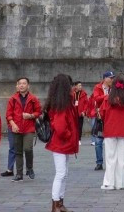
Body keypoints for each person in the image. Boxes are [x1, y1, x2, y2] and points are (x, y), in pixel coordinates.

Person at [44, 73, 80, 212]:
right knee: (61, 173)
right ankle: (56, 203)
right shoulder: (62, 105)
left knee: (64, 173)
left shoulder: (62, 103)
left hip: (63, 142)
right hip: (61, 142)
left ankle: (60, 202)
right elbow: (60, 127)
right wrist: (69, 135)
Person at [98, 75, 124, 191]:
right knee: (122, 158)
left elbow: (102, 114)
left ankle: (109, 183)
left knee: (110, 157)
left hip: (110, 130)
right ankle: (121, 183)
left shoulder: (107, 99)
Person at [6, 76, 42, 181]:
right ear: (17, 86)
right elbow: (8, 114)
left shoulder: (33, 98)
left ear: (28, 85)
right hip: (16, 128)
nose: (21, 85)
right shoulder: (12, 99)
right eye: (19, 83)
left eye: (24, 83)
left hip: (29, 128)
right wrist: (13, 124)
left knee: (28, 148)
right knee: (18, 151)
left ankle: (30, 168)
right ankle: (19, 173)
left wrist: (30, 115)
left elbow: (38, 112)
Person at [87, 71, 112, 171]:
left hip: (110, 116)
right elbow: (96, 98)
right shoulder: (98, 87)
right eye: (110, 78)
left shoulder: (113, 88)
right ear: (105, 79)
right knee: (98, 141)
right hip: (99, 117)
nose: (112, 80)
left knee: (111, 141)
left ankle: (110, 162)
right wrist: (107, 97)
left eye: (112, 78)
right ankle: (99, 162)